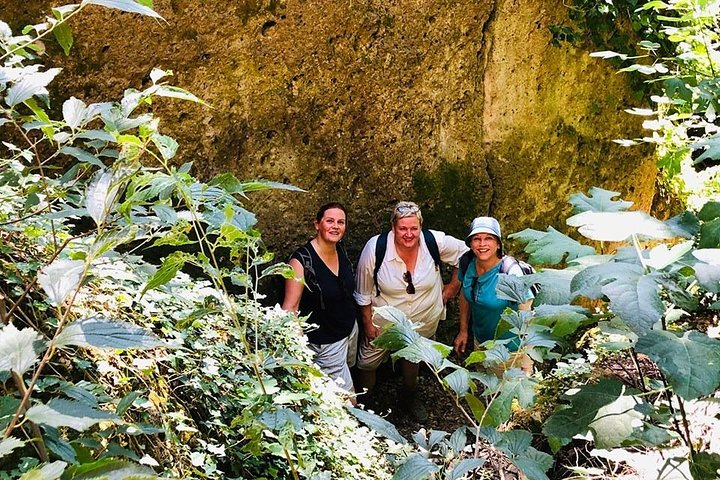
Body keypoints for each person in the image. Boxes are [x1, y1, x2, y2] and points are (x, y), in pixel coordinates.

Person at [353, 201, 468, 421]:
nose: (409, 234)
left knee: (413, 358)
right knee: (368, 362)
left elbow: (465, 253)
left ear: (421, 226)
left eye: (414, 228)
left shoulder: (433, 242)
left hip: (423, 318)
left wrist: (453, 286)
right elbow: (363, 291)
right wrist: (367, 323)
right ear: (393, 227)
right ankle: (366, 403)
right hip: (385, 322)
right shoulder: (375, 249)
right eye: (402, 228)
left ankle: (409, 395)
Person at [282, 202, 358, 397]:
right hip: (325, 342)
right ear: (317, 224)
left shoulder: (339, 249)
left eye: (341, 222)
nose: (336, 226)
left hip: (348, 330)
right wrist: (301, 355)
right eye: (330, 221)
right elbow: (290, 308)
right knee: (347, 399)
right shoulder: (300, 262)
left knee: (349, 373)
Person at [453, 216, 533, 374]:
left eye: (489, 238)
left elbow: (528, 317)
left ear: (498, 244)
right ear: (470, 243)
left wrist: (527, 360)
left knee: (505, 397)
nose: (482, 244)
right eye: (477, 239)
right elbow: (464, 295)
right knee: (487, 390)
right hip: (480, 343)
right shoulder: (467, 262)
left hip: (509, 352)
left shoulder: (510, 274)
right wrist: (463, 331)